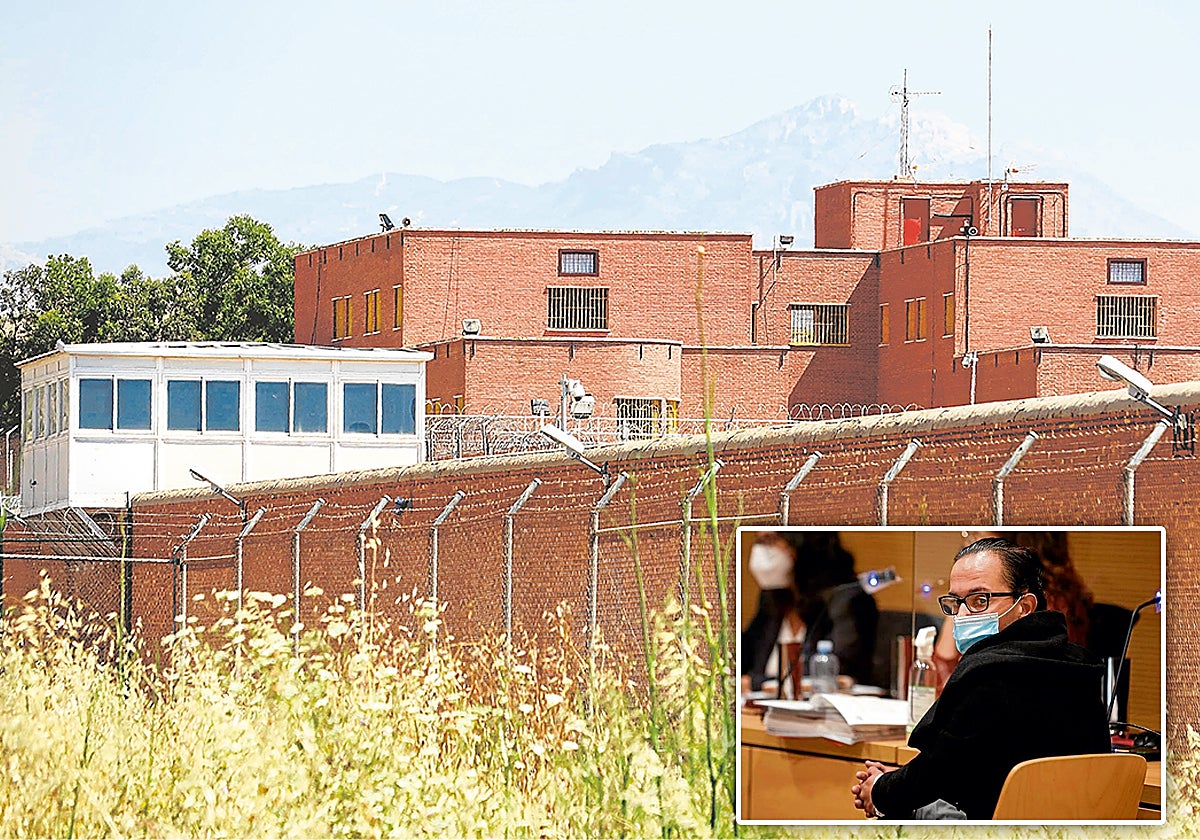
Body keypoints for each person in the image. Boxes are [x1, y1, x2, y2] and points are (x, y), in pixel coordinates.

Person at [851, 537, 1111, 820]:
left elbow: (936, 772)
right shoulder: (1076, 665)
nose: (962, 614)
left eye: (979, 600)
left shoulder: (990, 674)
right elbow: (960, 765)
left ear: (1024, 607)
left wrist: (879, 790)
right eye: (955, 602)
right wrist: (902, 779)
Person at [932, 531, 1095, 692]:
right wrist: (961, 600)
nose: (969, 543)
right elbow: (938, 680)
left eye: (981, 600)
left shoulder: (1049, 606)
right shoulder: (965, 604)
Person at [741, 531, 878, 692]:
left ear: (802, 543)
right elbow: (742, 659)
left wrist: (755, 683)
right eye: (758, 540)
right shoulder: (771, 598)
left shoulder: (848, 600)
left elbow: (829, 674)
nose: (760, 550)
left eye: (770, 539)